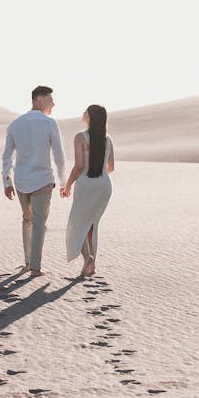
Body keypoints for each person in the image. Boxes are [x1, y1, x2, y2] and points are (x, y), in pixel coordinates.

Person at [2, 85, 67, 276]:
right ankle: (35, 268)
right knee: (39, 223)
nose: (53, 103)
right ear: (39, 99)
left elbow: (6, 157)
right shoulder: (49, 123)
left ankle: (29, 261)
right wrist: (63, 182)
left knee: (27, 220)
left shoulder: (15, 124)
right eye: (50, 99)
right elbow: (59, 155)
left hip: (21, 181)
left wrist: (7, 181)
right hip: (42, 179)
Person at [62, 104, 114, 278]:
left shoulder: (80, 137)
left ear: (90, 117)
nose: (82, 114)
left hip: (86, 183)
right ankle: (92, 266)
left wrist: (68, 184)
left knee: (78, 222)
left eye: (85, 112)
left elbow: (79, 166)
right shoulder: (108, 139)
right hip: (104, 184)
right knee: (92, 224)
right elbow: (111, 167)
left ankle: (88, 257)